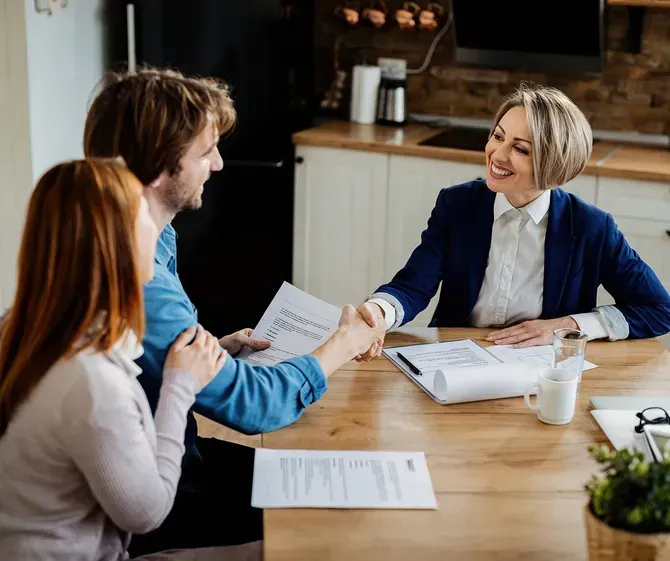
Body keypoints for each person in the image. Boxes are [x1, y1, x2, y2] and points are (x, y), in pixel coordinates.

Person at [82, 68, 385, 555]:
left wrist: (214, 351)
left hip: (175, 453)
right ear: (161, 168)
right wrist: (341, 345)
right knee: (342, 518)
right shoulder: (140, 279)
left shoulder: (152, 235)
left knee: (329, 480)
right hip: (159, 496)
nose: (219, 164)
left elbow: (146, 358)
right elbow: (255, 408)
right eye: (205, 152)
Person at [0, 159, 239, 560]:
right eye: (143, 214)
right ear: (117, 243)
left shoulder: (24, 325)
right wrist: (179, 386)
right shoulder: (88, 378)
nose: (156, 225)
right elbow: (146, 513)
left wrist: (205, 355)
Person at [356, 82, 670, 360]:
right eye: (498, 136)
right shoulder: (457, 205)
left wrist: (569, 325)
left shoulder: (592, 228)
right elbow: (412, 286)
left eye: (519, 149)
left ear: (555, 164)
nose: (497, 154)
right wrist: (377, 313)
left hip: (542, 368)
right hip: (453, 358)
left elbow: (659, 309)